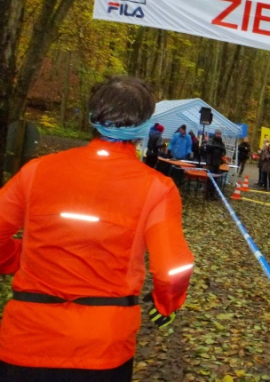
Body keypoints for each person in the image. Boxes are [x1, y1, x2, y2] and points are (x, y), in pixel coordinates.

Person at [0, 75, 194, 381]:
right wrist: (165, 304)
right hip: (103, 346)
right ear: (144, 126)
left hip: (26, 337)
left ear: (92, 117)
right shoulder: (157, 188)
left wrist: (17, 257)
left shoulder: (37, 171)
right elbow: (172, 268)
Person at [203, 129, 227, 199]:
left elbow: (224, 152)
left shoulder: (221, 142)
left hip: (217, 163)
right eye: (217, 134)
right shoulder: (211, 140)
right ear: (215, 134)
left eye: (220, 134)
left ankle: (212, 194)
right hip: (211, 162)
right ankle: (207, 194)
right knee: (210, 179)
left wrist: (221, 150)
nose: (219, 135)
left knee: (215, 179)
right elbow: (208, 148)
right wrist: (217, 148)